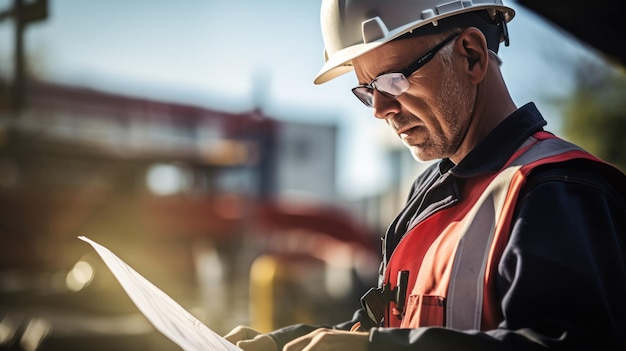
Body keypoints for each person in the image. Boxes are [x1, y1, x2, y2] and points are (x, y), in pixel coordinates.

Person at [225, 0, 626, 350]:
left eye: (392, 80)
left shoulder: (558, 190)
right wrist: (285, 343)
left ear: (471, 55)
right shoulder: (429, 194)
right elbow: (390, 327)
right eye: (367, 89)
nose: (379, 109)